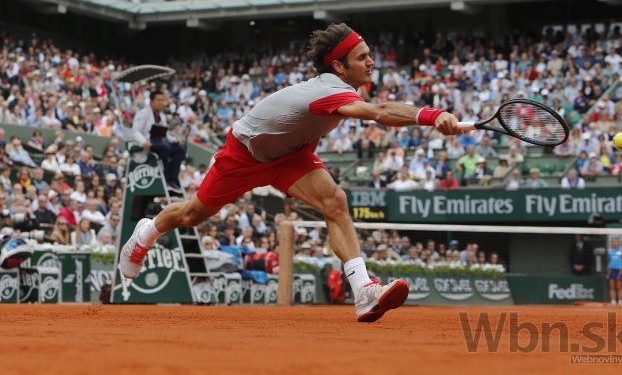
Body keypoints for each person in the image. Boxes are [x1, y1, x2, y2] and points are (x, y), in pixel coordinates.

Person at [120, 23, 463, 322]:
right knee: (192, 214)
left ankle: (364, 291)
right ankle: (145, 234)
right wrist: (432, 116)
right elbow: (380, 112)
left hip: (290, 156)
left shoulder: (337, 87)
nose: (371, 62)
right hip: (244, 155)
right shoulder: (328, 92)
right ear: (339, 66)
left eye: (368, 54)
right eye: (362, 57)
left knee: (335, 202)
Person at [131, 90, 186, 191]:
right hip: (148, 144)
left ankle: (173, 179)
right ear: (151, 101)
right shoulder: (143, 113)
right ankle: (164, 177)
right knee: (165, 148)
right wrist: (143, 142)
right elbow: (135, 132)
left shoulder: (162, 116)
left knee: (180, 149)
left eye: (162, 100)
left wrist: (174, 140)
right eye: (158, 100)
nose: (161, 102)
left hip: (159, 142)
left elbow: (165, 134)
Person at [607, 237, 622, 305]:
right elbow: (609, 262)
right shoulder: (610, 252)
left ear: (619, 243)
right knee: (612, 287)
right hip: (612, 271)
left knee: (619, 287)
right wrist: (609, 273)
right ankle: (613, 301)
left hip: (619, 270)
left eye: (616, 241)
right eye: (613, 242)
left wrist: (621, 268)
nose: (614, 243)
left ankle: (620, 301)